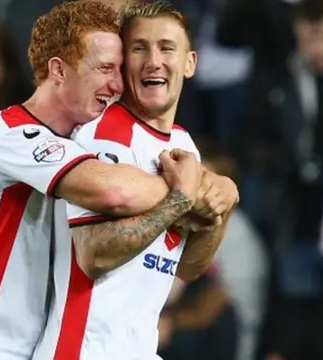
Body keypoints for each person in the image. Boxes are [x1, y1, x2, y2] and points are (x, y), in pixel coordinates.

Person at [0, 1, 237, 359]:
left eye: (119, 69)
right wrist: (196, 190)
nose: (117, 83)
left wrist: (217, 192)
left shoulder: (76, 141)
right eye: (104, 68)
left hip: (28, 347)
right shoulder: (10, 133)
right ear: (58, 69)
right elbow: (113, 190)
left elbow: (182, 257)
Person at [32, 1, 238, 359]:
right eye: (140, 48)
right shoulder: (102, 133)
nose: (153, 60)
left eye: (166, 48)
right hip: (84, 349)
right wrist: (179, 200)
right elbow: (93, 253)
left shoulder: (184, 146)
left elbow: (188, 267)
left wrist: (222, 210)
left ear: (190, 63)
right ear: (124, 64)